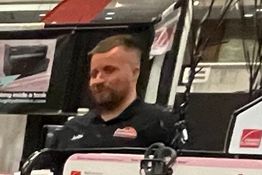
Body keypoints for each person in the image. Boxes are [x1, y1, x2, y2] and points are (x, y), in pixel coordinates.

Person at [49, 35, 186, 152]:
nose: (98, 80)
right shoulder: (72, 129)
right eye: (94, 73)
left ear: (134, 73)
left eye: (109, 70)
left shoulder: (162, 125)